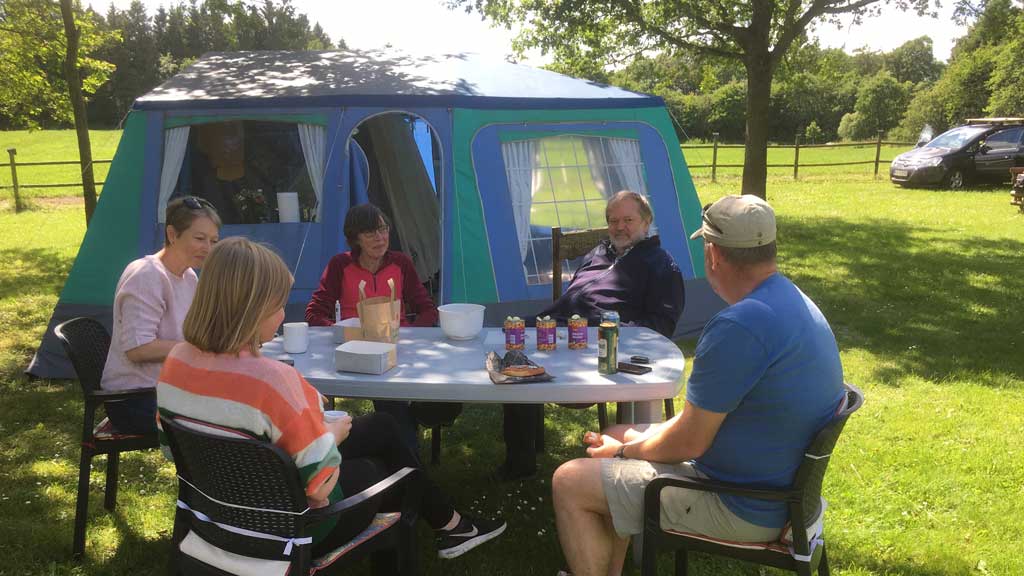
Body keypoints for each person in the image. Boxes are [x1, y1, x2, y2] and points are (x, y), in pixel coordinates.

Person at [156, 237, 505, 560]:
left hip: (214, 513)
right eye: (279, 305)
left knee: (383, 427)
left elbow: (174, 448)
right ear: (253, 309)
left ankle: (452, 523)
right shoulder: (274, 381)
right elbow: (321, 485)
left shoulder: (175, 363)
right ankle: (438, 532)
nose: (282, 315)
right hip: (292, 529)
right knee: (381, 469)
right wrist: (329, 437)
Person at [550, 195, 846, 576]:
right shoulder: (793, 301)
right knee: (617, 431)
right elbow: (699, 423)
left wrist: (624, 453)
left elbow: (690, 442)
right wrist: (626, 440)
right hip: (779, 492)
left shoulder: (739, 326)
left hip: (740, 503)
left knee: (569, 480)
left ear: (714, 255)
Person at [499, 190, 685, 481]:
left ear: (647, 222)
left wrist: (610, 332)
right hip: (559, 329)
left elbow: (662, 325)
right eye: (613, 221)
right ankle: (520, 460)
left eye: (628, 220)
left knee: (524, 365)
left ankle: (628, 461)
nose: (619, 227)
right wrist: (535, 323)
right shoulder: (599, 253)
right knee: (513, 360)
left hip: (602, 348)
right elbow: (571, 299)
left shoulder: (660, 264)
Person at [306, 203, 459, 451]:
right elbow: (314, 312)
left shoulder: (400, 263)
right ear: (355, 239)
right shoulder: (339, 265)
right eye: (370, 233)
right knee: (392, 401)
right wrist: (344, 332)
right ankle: (409, 461)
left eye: (383, 229)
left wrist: (405, 335)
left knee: (448, 391)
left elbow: (427, 309)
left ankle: (415, 421)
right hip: (355, 351)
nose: (380, 238)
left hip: (398, 347)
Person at [99, 196, 221, 434]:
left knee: (243, 402)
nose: (208, 248)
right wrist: (200, 345)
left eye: (213, 241)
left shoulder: (188, 276)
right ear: (173, 234)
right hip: (135, 400)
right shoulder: (148, 275)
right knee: (232, 421)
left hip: (168, 389)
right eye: (199, 238)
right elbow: (138, 349)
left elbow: (191, 331)